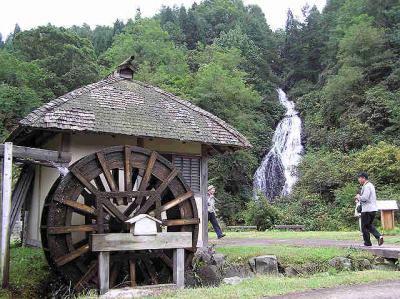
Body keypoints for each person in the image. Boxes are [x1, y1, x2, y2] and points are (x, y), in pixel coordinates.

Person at [355, 172, 384, 247]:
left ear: (364, 178)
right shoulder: (370, 185)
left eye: (359, 178)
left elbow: (365, 198)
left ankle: (367, 243)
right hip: (372, 209)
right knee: (368, 225)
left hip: (367, 209)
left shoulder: (367, 186)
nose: (358, 180)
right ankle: (379, 237)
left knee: (364, 227)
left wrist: (358, 197)